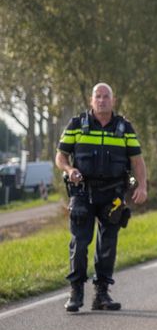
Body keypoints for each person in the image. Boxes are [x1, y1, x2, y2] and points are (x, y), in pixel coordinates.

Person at [55, 83, 148, 312]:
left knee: (108, 245)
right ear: (91, 100)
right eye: (98, 96)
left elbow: (137, 161)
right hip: (82, 193)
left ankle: (102, 294)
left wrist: (142, 186)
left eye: (106, 96)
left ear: (113, 101)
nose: (102, 100)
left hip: (112, 196)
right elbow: (60, 156)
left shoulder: (124, 127)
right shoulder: (77, 125)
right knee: (80, 243)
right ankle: (76, 293)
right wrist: (69, 170)